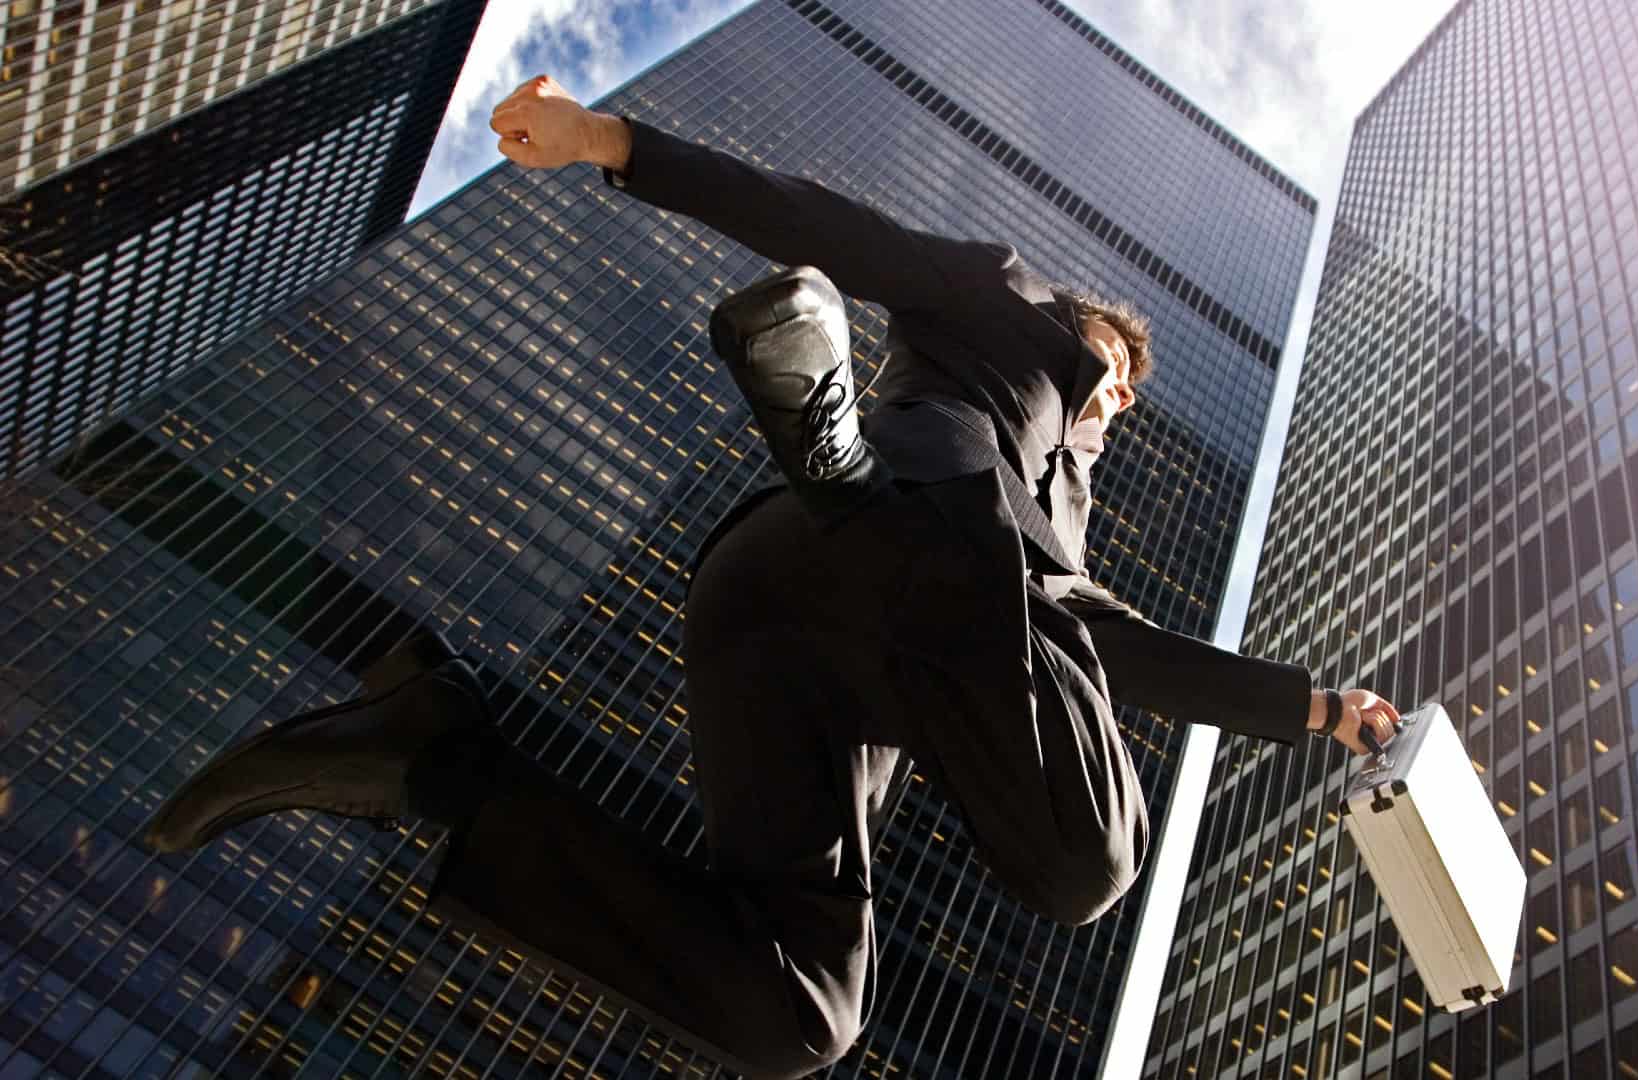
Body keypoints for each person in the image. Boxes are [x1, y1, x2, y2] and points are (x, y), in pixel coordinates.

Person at [145, 75, 1403, 1079]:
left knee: (800, 1018)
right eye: (1115, 389)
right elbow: (836, 228)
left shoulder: (1058, 528)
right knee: (1098, 853)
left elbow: (1112, 646)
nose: (1112, 414)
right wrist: (613, 140)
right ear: (1101, 359)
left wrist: (1312, 712)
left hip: (780, 643)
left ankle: (436, 760)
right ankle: (841, 457)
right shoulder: (1007, 314)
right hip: (891, 536)